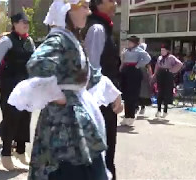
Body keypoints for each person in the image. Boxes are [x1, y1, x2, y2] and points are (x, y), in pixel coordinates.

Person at [7, 0, 123, 179]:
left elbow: (87, 75)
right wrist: (56, 94)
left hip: (76, 117)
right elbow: (37, 64)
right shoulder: (58, 38)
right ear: (68, 10)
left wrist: (113, 93)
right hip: (64, 122)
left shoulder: (72, 39)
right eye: (84, 7)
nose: (88, 12)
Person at [0, 12, 35, 170]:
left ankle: (21, 151)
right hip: (10, 84)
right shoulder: (6, 41)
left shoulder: (29, 41)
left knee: (25, 117)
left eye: (27, 22)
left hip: (26, 84)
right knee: (11, 118)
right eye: (23, 22)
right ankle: (6, 154)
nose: (26, 24)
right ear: (15, 24)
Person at [82, 0, 120, 178]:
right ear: (98, 3)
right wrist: (112, 94)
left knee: (105, 149)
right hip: (100, 100)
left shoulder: (103, 27)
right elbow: (92, 69)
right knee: (103, 148)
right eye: (111, 0)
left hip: (104, 97)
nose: (115, 3)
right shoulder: (97, 29)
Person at [120, 36, 151, 126]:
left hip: (134, 71)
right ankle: (126, 116)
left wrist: (138, 65)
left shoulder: (138, 50)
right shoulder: (126, 51)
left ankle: (131, 116)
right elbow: (123, 61)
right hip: (126, 70)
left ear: (134, 43)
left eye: (130, 42)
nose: (128, 43)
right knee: (125, 95)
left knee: (132, 95)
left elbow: (147, 58)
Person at [153, 44, 183, 118]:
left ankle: (165, 110)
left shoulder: (171, 57)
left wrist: (172, 70)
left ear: (167, 51)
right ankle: (159, 110)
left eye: (163, 50)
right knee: (159, 92)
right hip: (160, 74)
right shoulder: (159, 58)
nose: (162, 52)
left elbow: (180, 64)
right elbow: (157, 66)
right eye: (161, 50)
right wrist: (154, 74)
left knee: (166, 93)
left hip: (168, 75)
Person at [138, 43, 153, 115]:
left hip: (144, 76)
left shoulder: (146, 56)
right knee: (138, 92)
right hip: (139, 75)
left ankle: (142, 107)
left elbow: (149, 67)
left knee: (143, 92)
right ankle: (138, 106)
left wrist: (150, 76)